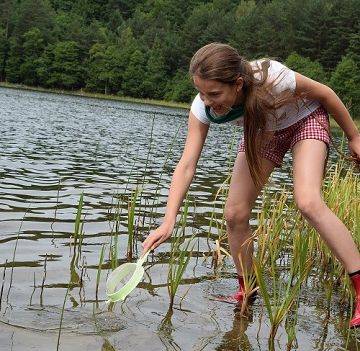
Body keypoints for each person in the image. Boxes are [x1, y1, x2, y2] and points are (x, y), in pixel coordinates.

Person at [142, 43, 360, 327]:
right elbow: (186, 165)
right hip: (263, 131)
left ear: (238, 84)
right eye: (202, 92)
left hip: (305, 119)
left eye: (215, 93)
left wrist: (354, 137)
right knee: (234, 214)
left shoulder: (272, 77)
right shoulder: (202, 108)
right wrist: (168, 219)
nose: (208, 101)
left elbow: (326, 94)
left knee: (307, 201)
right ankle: (248, 290)